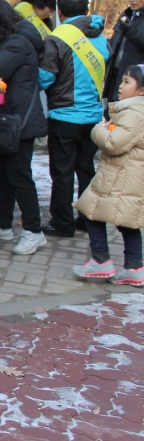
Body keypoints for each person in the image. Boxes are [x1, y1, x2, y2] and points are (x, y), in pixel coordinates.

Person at [0, 0, 49, 254]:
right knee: (2, 174)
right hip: (7, 117)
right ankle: (3, 224)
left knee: (19, 175)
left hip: (19, 119)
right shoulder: (13, 39)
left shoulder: (17, 42)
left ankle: (34, 230)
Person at [35, 0, 109, 238]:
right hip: (93, 116)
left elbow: (45, 77)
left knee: (62, 172)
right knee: (86, 168)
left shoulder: (58, 38)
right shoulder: (100, 37)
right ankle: (88, 219)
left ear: (60, 12)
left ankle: (62, 222)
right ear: (86, 11)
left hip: (65, 116)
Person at [73, 64, 144, 286]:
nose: (120, 86)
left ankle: (100, 260)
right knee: (127, 221)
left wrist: (99, 129)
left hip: (120, 175)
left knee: (91, 211)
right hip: (128, 176)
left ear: (141, 90)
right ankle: (134, 266)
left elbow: (114, 143)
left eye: (126, 82)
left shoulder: (134, 113)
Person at [104, 0, 144, 105]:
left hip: (136, 79)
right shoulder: (125, 15)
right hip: (116, 73)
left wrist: (130, 30)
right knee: (112, 112)